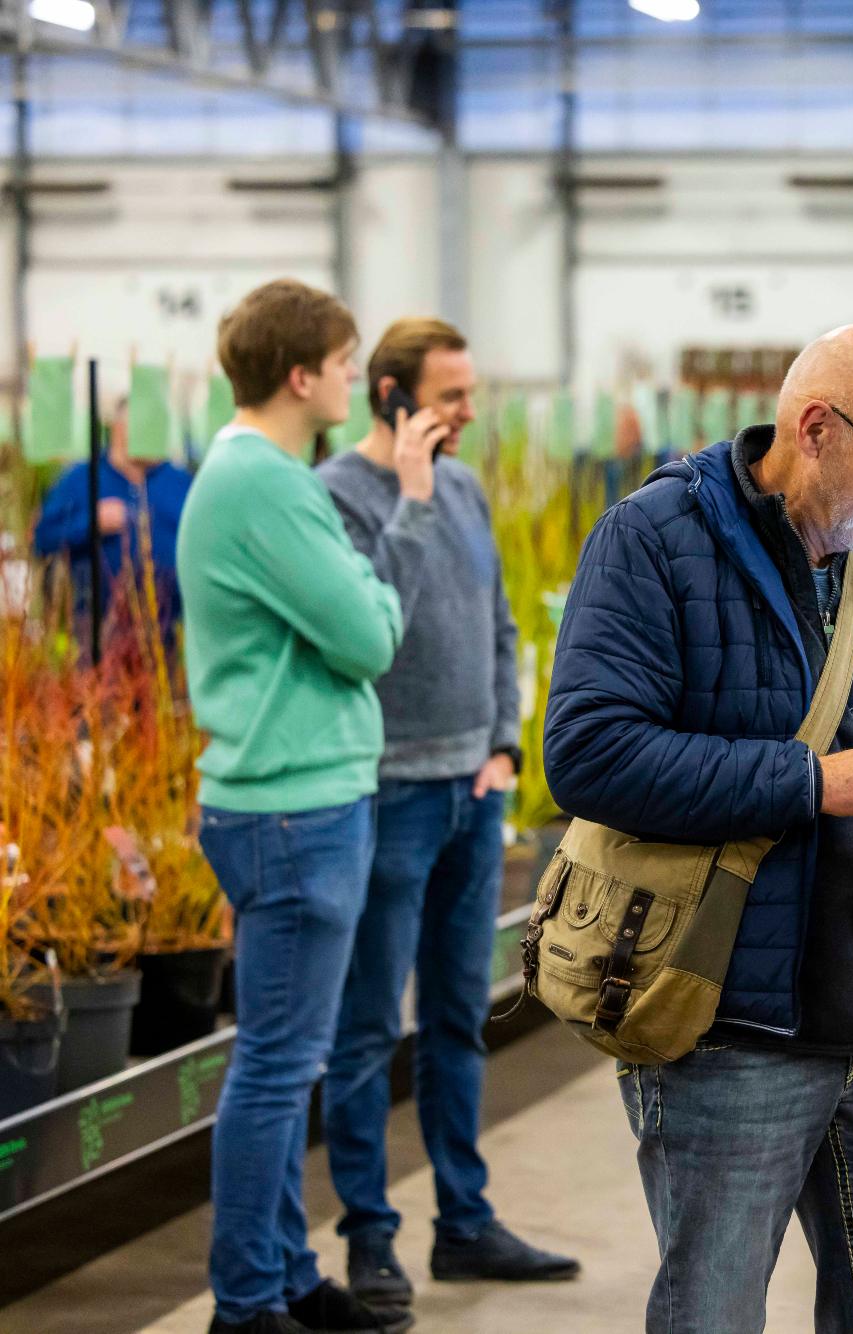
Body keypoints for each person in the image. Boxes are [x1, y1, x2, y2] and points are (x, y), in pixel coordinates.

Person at [542, 324, 853, 1333]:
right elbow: (589, 755)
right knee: (714, 1309)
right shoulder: (655, 539)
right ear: (813, 427)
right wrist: (807, 780)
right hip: (726, 1021)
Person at [315, 319, 577, 1309]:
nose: (468, 414)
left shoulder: (463, 485)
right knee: (368, 1022)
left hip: (475, 787)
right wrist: (412, 497)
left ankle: (463, 1220)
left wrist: (505, 747)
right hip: (386, 792)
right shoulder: (338, 497)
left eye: (469, 393)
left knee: (460, 1014)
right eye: (449, 396)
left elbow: (499, 620)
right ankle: (368, 1236)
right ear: (389, 394)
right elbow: (370, 623)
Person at [177, 279, 410, 1334]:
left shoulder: (259, 475)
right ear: (301, 375)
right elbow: (365, 637)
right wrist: (374, 585)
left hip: (286, 802)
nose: (357, 380)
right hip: (291, 809)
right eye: (347, 361)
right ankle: (245, 1301)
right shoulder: (264, 482)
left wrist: (361, 587)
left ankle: (281, 1272)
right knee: (275, 1067)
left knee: (278, 1055)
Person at [31, 397, 194, 649]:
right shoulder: (82, 478)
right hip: (97, 633)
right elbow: (41, 538)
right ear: (117, 427)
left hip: (167, 633)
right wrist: (89, 523)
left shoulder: (179, 482)